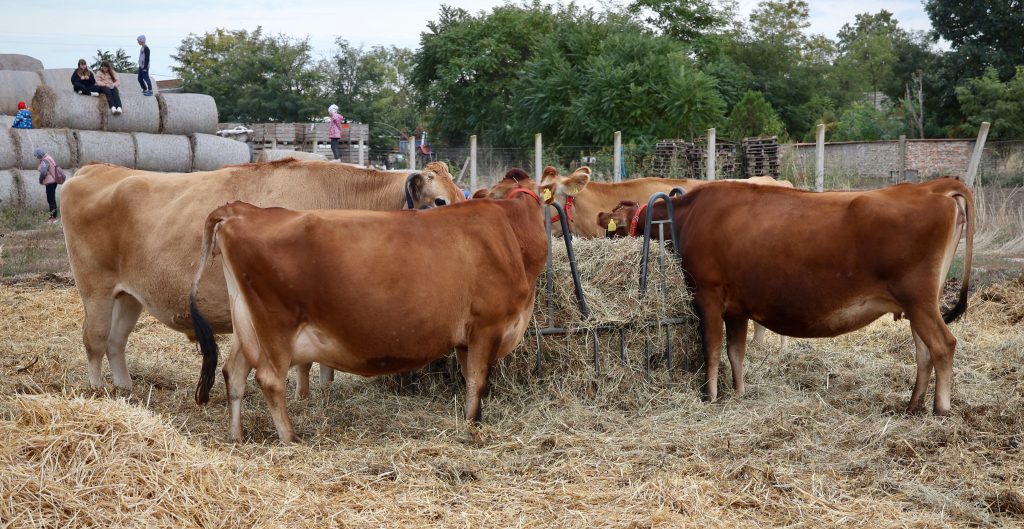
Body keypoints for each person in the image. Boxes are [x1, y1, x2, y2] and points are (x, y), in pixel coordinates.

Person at [34, 148, 61, 222]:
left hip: (50, 182)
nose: (36, 157)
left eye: (36, 155)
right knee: (51, 199)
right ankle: (53, 217)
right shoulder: (48, 157)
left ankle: (53, 218)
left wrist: (40, 180)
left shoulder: (45, 160)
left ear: (39, 154)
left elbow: (43, 172)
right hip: (53, 182)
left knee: (51, 200)